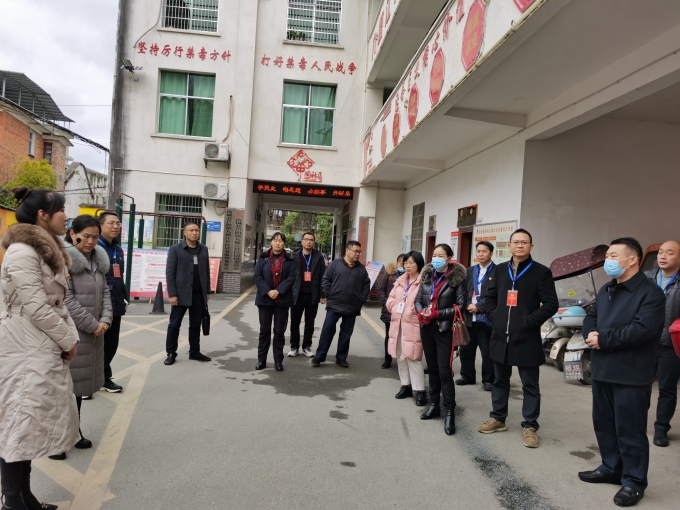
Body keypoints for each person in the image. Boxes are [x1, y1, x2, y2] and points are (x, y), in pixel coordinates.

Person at [0, 187, 80, 510]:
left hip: (39, 343)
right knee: (17, 424)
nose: (66, 217)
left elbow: (57, 303)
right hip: (24, 346)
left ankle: (25, 497)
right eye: (61, 210)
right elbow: (36, 307)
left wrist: (69, 337)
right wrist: (68, 340)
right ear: (43, 216)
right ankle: (12, 501)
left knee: (29, 424)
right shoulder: (22, 252)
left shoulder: (47, 250)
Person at [579, 238, 666, 507]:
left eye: (614, 256)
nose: (608, 260)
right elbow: (591, 317)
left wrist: (603, 338)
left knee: (630, 430)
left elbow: (641, 330)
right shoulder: (607, 289)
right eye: (608, 256)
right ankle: (611, 468)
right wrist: (590, 334)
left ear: (632, 260)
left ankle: (634, 482)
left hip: (631, 373)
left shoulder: (650, 293)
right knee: (604, 425)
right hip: (603, 369)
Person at [477, 229, 558, 448]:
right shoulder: (499, 270)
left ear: (531, 246)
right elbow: (489, 298)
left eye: (524, 242)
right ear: (509, 245)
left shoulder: (541, 272)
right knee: (499, 381)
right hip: (500, 336)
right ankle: (498, 418)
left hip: (526, 337)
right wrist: (496, 318)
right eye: (516, 242)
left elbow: (551, 304)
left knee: (530, 385)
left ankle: (530, 426)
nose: (520, 245)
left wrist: (529, 322)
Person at [52, 215, 113, 459]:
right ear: (72, 234)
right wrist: (92, 324)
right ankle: (57, 441)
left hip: (94, 333)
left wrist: (106, 319)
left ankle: (74, 432)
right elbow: (66, 299)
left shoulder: (97, 261)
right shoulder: (63, 260)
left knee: (77, 388)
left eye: (95, 237)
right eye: (85, 236)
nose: (90, 241)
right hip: (71, 333)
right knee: (62, 390)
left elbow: (106, 292)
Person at [415, 244, 466, 436]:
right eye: (434, 255)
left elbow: (460, 305)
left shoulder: (456, 278)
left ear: (449, 258)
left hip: (444, 329)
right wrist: (421, 312)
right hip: (427, 328)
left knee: (445, 371)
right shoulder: (427, 275)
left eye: (440, 255)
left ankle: (450, 411)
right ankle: (434, 404)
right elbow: (418, 299)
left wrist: (437, 314)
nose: (436, 258)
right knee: (433, 369)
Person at [312, 241, 370, 368]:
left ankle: (341, 358)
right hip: (334, 305)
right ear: (347, 250)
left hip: (352, 306)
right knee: (327, 330)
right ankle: (320, 356)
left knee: (346, 333)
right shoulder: (335, 264)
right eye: (355, 251)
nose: (357, 254)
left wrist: (361, 299)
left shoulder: (361, 269)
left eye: (359, 252)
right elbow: (326, 280)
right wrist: (329, 294)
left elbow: (366, 285)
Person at [164, 221, 212, 365]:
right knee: (174, 324)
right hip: (180, 294)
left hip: (198, 294)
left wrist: (207, 291)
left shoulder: (203, 249)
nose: (195, 233)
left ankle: (194, 352)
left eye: (197, 230)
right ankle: (171, 352)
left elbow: (206, 272)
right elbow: (170, 273)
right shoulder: (175, 249)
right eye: (191, 230)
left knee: (195, 325)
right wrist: (172, 294)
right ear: (184, 232)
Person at [647, 240, 680, 448]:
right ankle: (635, 422)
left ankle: (661, 428)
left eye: (669, 252)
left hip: (671, 344)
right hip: (644, 342)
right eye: (660, 252)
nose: (663, 256)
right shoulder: (646, 278)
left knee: (667, 388)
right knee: (639, 384)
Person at [387, 251, 426, 406]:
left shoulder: (423, 282)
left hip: (413, 324)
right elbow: (391, 298)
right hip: (398, 323)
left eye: (411, 263)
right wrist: (394, 307)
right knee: (400, 356)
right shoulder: (400, 280)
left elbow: (426, 302)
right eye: (406, 263)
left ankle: (420, 390)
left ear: (419, 264)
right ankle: (406, 385)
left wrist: (412, 311)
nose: (407, 266)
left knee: (413, 357)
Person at [254, 232, 297, 371]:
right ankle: (262, 360)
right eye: (275, 240)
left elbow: (291, 277)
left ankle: (278, 361)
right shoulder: (263, 258)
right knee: (264, 331)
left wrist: (278, 291)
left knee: (279, 331)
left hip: (282, 300)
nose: (277, 243)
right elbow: (257, 276)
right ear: (271, 242)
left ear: (284, 243)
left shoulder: (290, 259)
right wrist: (268, 291)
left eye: (280, 241)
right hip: (264, 299)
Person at [459, 241, 496, 391]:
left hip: (486, 319)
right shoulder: (469, 271)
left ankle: (488, 379)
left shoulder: (497, 272)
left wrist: (479, 307)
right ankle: (467, 376)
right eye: (478, 251)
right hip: (469, 317)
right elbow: (462, 291)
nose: (480, 254)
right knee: (466, 349)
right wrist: (468, 305)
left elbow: (497, 295)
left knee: (487, 351)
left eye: (484, 251)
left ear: (491, 253)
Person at [98, 211, 126, 392]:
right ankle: (89, 383)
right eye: (111, 223)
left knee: (111, 344)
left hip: (116, 302)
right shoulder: (94, 248)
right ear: (100, 225)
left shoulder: (118, 249)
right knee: (95, 345)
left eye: (118, 223)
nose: (115, 226)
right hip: (98, 303)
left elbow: (119, 277)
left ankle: (103, 378)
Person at [288, 232, 326, 358]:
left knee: (310, 322)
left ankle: (306, 346)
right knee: (295, 322)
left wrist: (322, 294)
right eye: (306, 239)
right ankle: (294, 347)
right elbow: (289, 275)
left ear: (314, 242)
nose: (308, 242)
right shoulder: (294, 256)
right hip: (296, 294)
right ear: (302, 241)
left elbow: (323, 277)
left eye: (311, 240)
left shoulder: (318, 257)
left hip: (312, 295)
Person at [379, 254, 405, 368]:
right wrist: (386, 303)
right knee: (389, 335)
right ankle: (387, 359)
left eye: (404, 262)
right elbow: (382, 290)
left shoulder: (411, 276)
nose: (402, 264)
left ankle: (402, 359)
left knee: (403, 337)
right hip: (389, 311)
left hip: (404, 312)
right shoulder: (390, 274)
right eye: (400, 261)